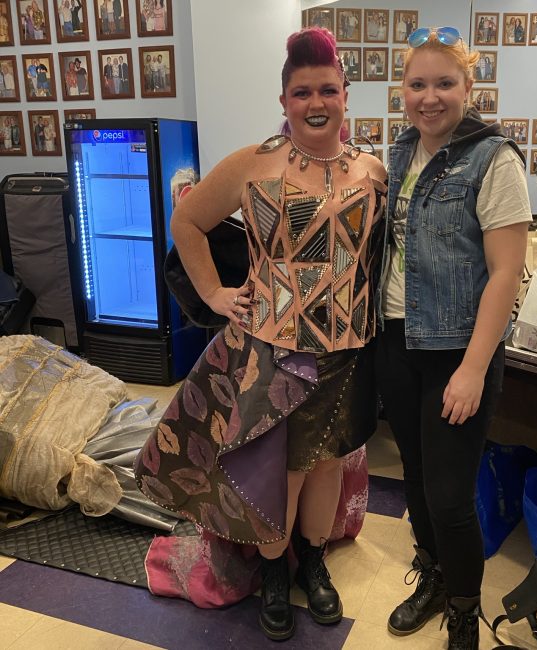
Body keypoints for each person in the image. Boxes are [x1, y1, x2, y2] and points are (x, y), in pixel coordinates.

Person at [134, 27, 386, 642]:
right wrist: (218, 295)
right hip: (273, 351)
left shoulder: (374, 171)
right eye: (303, 92)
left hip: (348, 351)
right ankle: (275, 575)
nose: (316, 102)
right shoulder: (254, 164)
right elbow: (188, 220)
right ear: (284, 100)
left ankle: (315, 564)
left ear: (346, 95)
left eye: (328, 89)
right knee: (278, 471)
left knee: (328, 464)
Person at [374, 26, 531, 650]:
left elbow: (505, 274)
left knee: (450, 496)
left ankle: (466, 611)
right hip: (395, 342)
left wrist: (472, 368)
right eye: (417, 84)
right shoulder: (399, 152)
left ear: (469, 87)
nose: (429, 96)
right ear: (402, 91)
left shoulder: (496, 160)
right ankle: (434, 577)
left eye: (444, 83)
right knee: (414, 480)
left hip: (456, 351)